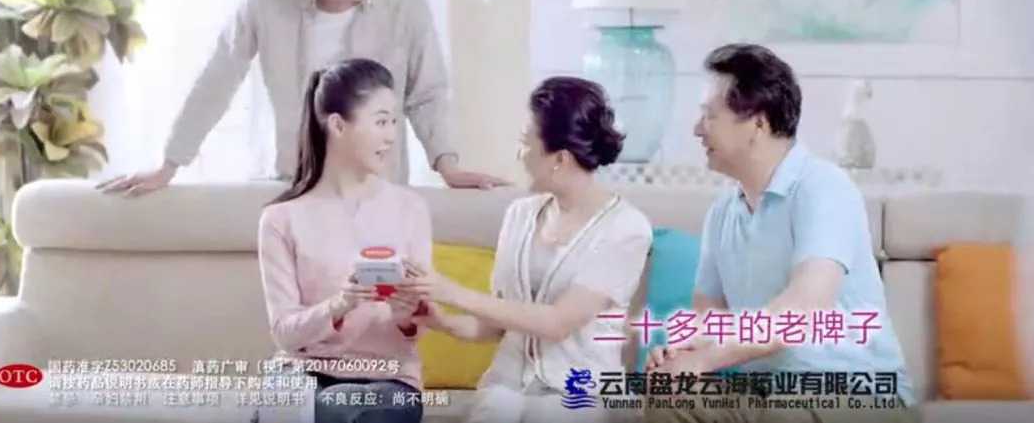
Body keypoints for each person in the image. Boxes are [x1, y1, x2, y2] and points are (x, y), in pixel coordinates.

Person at [97, 0, 507, 196]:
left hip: (377, 186)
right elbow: (218, 77)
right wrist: (170, 163)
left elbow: (428, 92)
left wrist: (447, 164)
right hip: (292, 182)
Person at [644, 44, 916, 423]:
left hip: (856, 393)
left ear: (758, 123)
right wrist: (681, 354)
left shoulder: (822, 187)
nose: (696, 128)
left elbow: (805, 309)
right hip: (771, 393)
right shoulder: (722, 213)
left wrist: (704, 359)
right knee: (665, 396)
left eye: (710, 115)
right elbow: (709, 318)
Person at [401, 77, 654, 423]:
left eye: (525, 142)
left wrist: (451, 291)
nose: (519, 154)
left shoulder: (625, 229)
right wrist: (441, 320)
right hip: (505, 386)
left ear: (559, 158)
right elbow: (494, 326)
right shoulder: (519, 214)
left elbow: (557, 323)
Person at [252, 58, 431, 423]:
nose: (391, 136)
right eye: (381, 121)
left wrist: (407, 317)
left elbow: (422, 323)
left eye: (394, 122)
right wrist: (340, 305)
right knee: (292, 407)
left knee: (340, 408)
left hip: (389, 379)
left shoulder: (410, 208)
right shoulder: (280, 219)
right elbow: (284, 333)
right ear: (338, 125)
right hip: (301, 372)